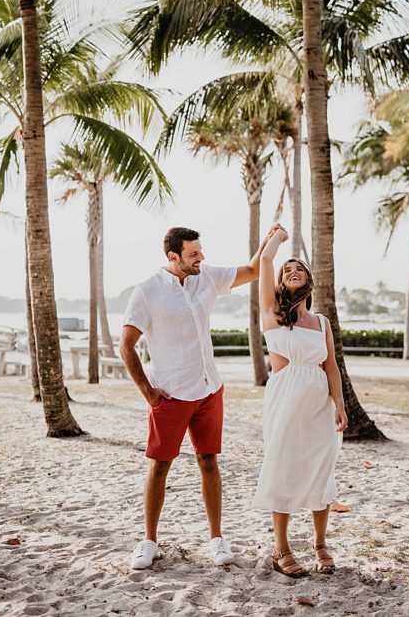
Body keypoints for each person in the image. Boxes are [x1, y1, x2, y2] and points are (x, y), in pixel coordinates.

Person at [121, 224, 280, 570]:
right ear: (172, 256)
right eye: (194, 254)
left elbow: (252, 270)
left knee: (209, 462)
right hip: (170, 394)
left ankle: (216, 538)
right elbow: (127, 346)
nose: (201, 258)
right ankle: (149, 541)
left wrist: (270, 240)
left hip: (209, 390)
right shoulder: (147, 291)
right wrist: (147, 391)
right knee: (159, 467)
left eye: (201, 251)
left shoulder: (206, 277)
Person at [251, 226, 347, 578]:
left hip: (320, 405)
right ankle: (281, 549)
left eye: (299, 268)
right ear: (281, 281)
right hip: (286, 402)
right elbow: (265, 261)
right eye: (287, 269)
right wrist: (277, 237)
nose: (293, 270)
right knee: (284, 469)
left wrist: (340, 405)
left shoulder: (321, 322)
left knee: (321, 470)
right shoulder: (273, 314)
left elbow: (331, 366)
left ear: (309, 280)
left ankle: (320, 545)